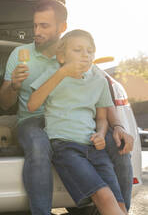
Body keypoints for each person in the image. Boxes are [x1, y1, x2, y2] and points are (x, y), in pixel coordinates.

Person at [0, 0, 133, 214]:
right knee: (38, 144)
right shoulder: (19, 54)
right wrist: (14, 85)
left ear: (62, 27)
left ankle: (120, 207)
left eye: (44, 26)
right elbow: (5, 103)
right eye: (35, 25)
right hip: (32, 119)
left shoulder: (81, 57)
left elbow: (99, 97)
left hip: (76, 122)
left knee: (118, 146)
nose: (37, 31)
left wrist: (118, 126)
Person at [28, 29, 127, 214]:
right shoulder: (53, 73)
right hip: (65, 146)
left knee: (119, 204)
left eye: (89, 50)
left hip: (93, 147)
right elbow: (32, 105)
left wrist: (101, 133)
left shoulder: (99, 80)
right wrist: (62, 73)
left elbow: (102, 118)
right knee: (103, 197)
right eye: (78, 50)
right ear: (61, 56)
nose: (85, 54)